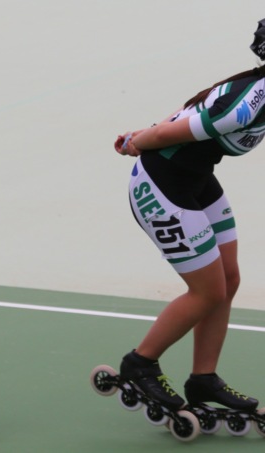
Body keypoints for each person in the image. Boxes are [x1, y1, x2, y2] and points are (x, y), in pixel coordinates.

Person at [113, 19, 265, 412]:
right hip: (161, 183)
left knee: (229, 278)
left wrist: (143, 133)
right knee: (208, 291)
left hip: (195, 177)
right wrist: (137, 140)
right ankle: (140, 364)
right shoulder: (247, 103)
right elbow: (169, 133)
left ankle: (203, 379)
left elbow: (188, 112)